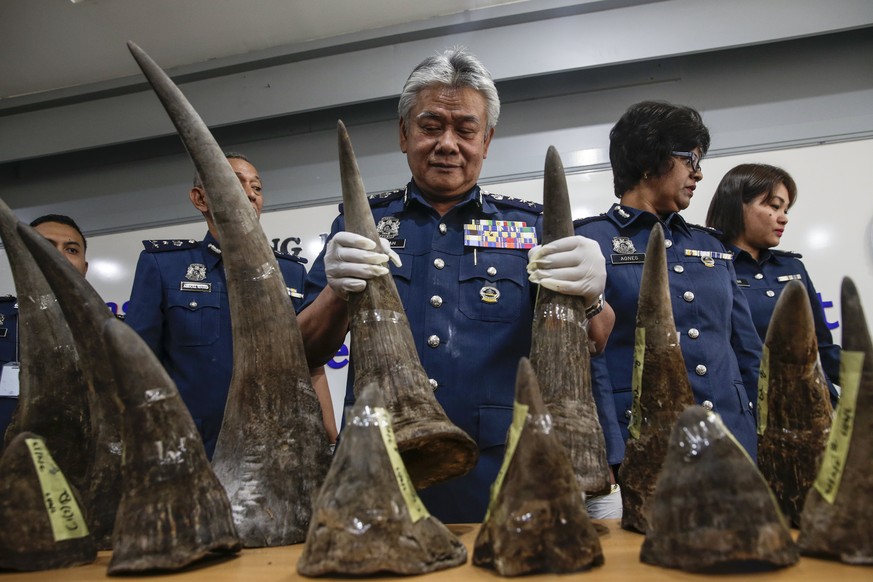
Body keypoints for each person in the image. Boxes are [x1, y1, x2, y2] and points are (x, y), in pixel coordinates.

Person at [299, 48, 616, 523]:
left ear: (486, 141)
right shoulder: (360, 224)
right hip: (381, 474)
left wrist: (592, 298)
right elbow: (300, 352)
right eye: (431, 126)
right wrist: (335, 292)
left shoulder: (530, 228)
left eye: (465, 130)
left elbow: (595, 340)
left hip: (502, 479)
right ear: (404, 134)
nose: (448, 143)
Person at [575, 101, 761, 458]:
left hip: (732, 439)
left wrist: (764, 439)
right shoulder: (590, 242)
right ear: (650, 159)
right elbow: (588, 360)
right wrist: (609, 453)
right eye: (689, 159)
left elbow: (747, 352)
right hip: (645, 444)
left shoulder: (711, 244)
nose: (699, 173)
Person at [124, 152, 336, 459]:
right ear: (200, 199)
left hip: (281, 449)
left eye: (257, 188)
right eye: (235, 184)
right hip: (193, 450)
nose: (250, 194)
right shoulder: (164, 267)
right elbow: (137, 370)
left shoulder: (290, 272)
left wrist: (330, 440)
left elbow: (311, 366)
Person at [706, 163, 840, 404]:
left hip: (815, 408)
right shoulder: (710, 267)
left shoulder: (791, 267)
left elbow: (822, 348)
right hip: (751, 412)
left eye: (786, 209)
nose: (784, 218)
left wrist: (863, 373)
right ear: (738, 205)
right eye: (774, 206)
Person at [1, 214, 89, 440]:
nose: (56, 256)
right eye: (44, 246)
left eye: (71, 250)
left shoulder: (107, 332)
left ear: (84, 267)